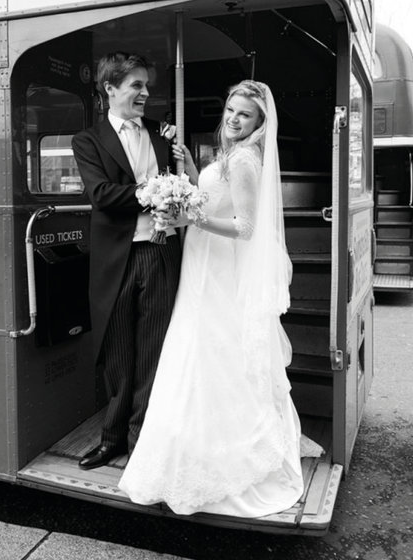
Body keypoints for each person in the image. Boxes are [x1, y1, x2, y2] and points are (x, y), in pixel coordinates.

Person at [118, 80, 308, 517]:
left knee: (211, 350)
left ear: (260, 122)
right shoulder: (227, 155)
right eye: (230, 109)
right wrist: (186, 174)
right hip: (202, 265)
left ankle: (219, 458)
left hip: (218, 270)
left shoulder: (243, 159)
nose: (233, 118)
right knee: (197, 350)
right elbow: (211, 202)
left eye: (244, 114)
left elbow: (245, 227)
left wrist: (192, 219)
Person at [70, 52, 181, 471]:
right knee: (117, 354)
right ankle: (111, 439)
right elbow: (100, 195)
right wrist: (153, 192)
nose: (145, 93)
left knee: (153, 353)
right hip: (116, 258)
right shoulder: (88, 140)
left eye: (146, 86)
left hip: (161, 250)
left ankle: (141, 444)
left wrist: (175, 188)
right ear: (110, 89)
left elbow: (182, 181)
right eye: (136, 85)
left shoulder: (163, 133)